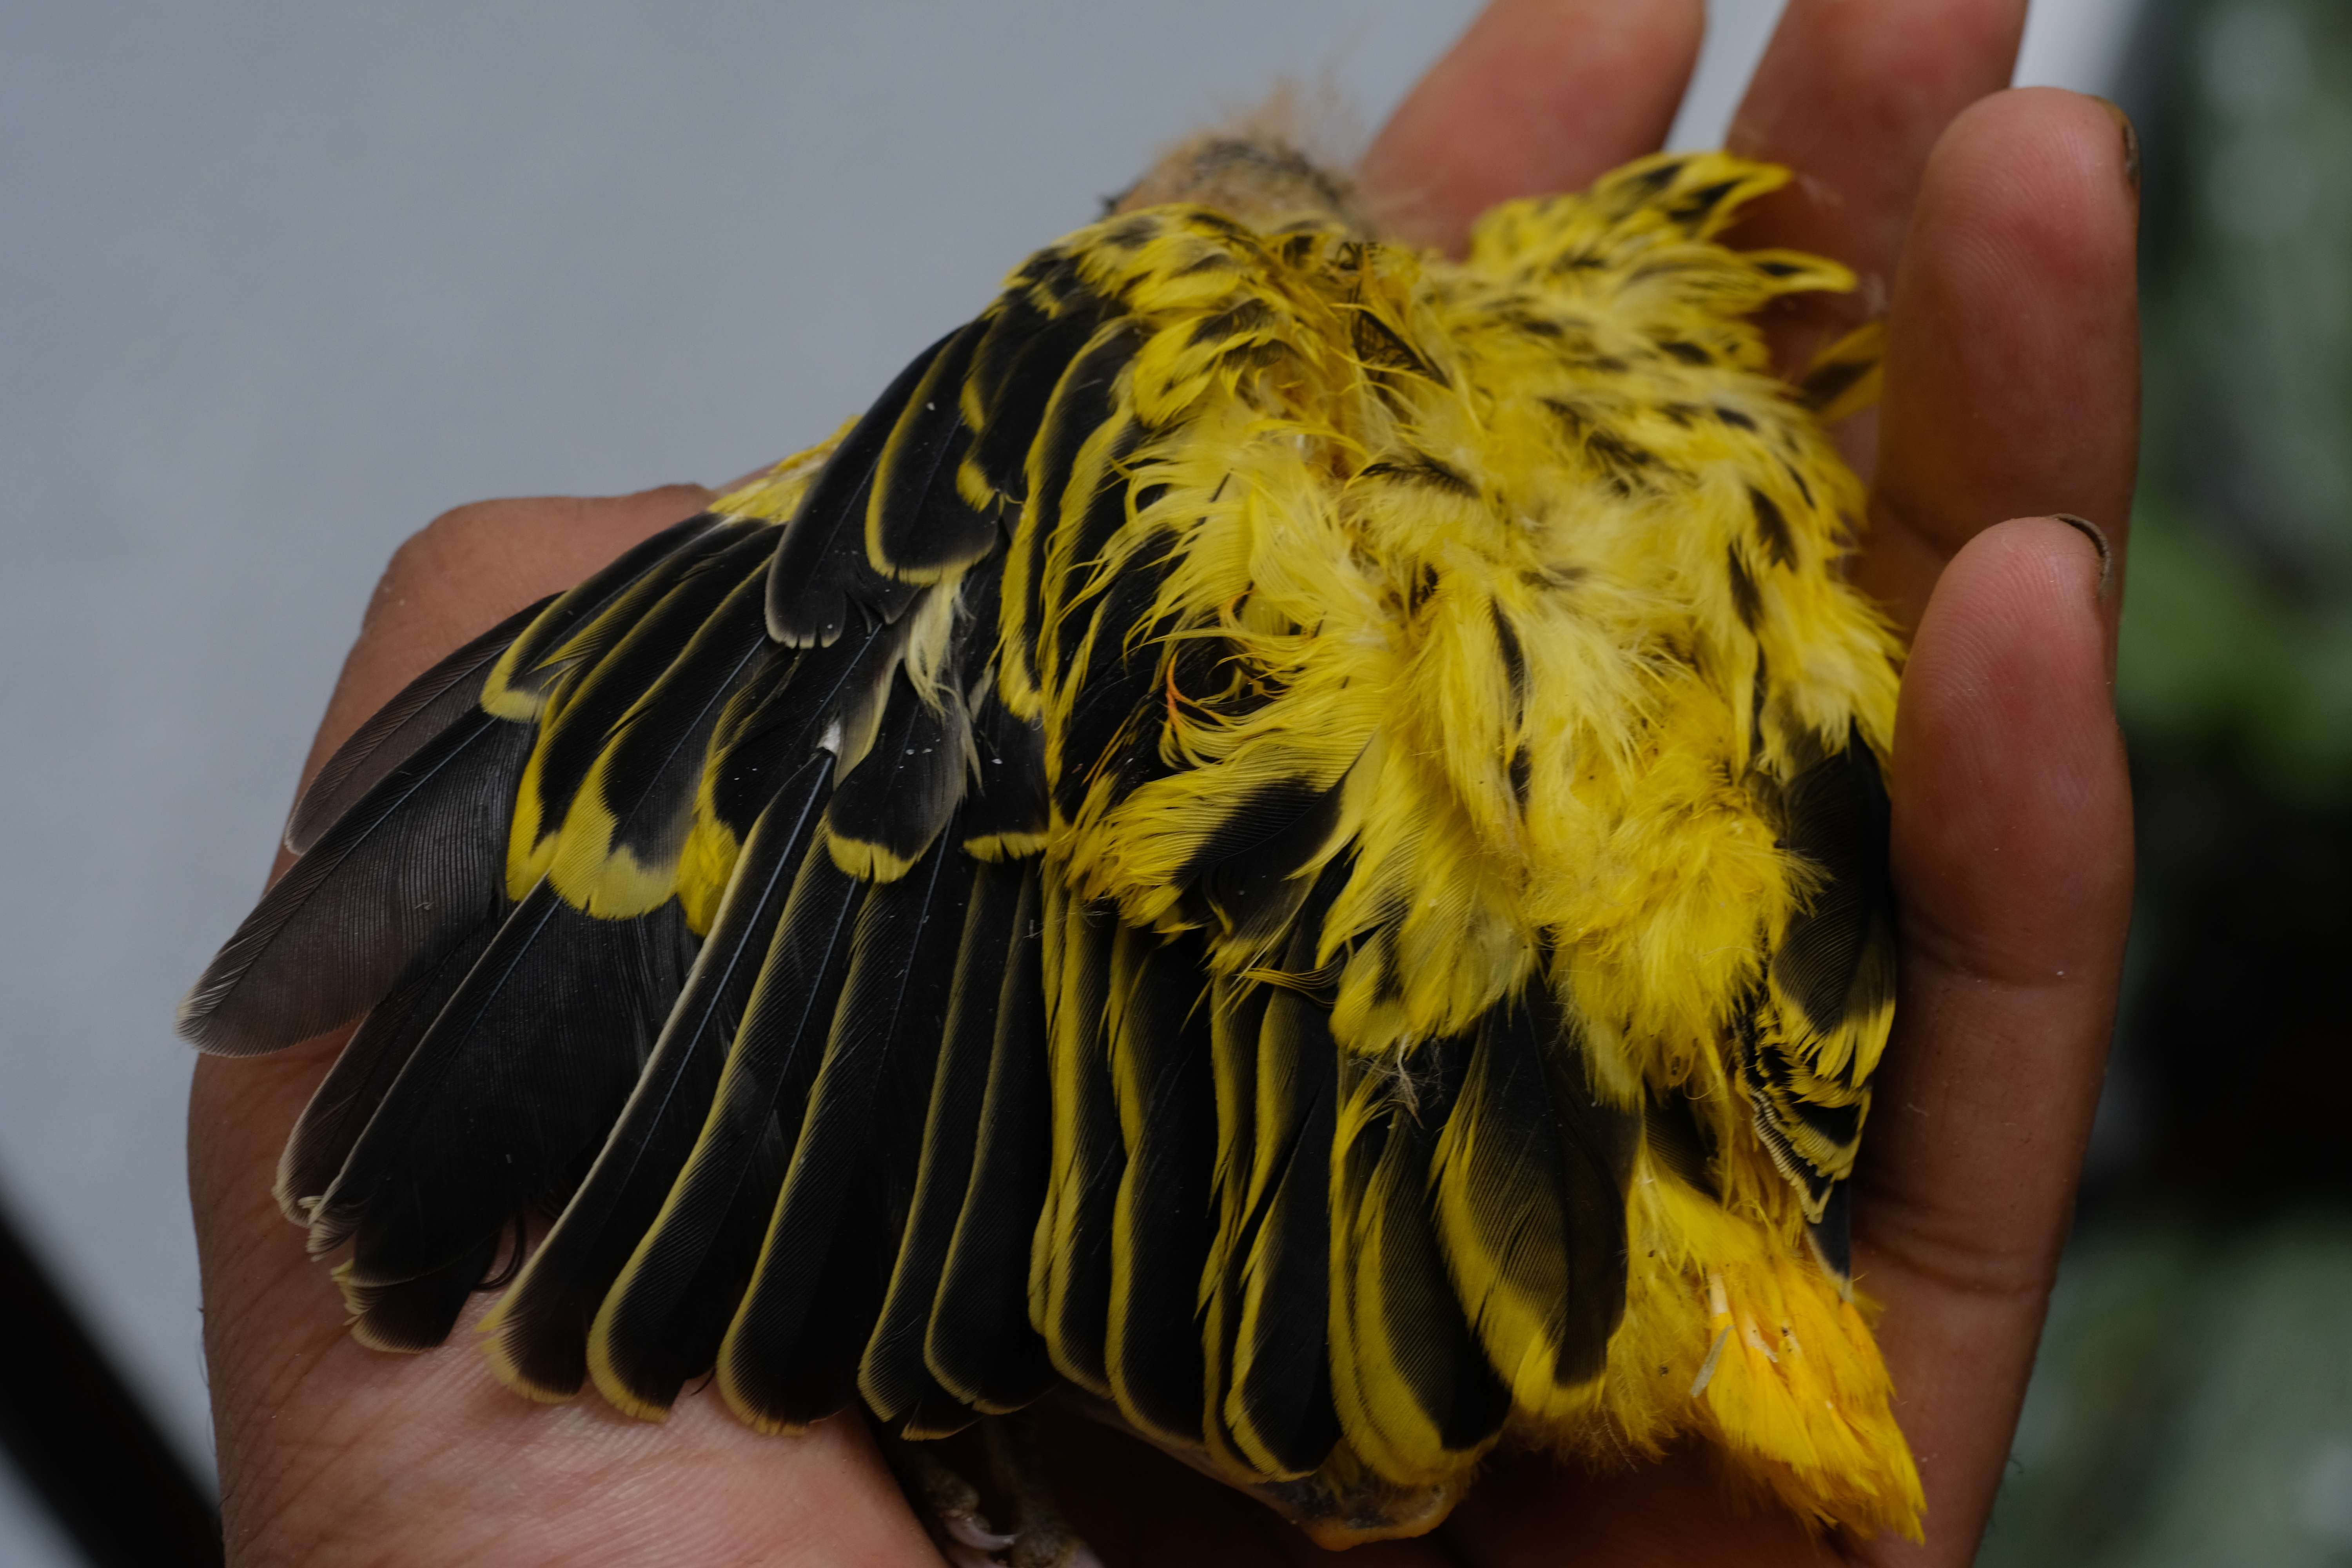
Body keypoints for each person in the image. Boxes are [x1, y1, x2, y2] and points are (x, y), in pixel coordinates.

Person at [186, 0, 2140, 1561]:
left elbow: (890, 803)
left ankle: (1326, 1394)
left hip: (1503, 1230)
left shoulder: (1143, 383)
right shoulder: (1666, 354)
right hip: (1766, 1194)